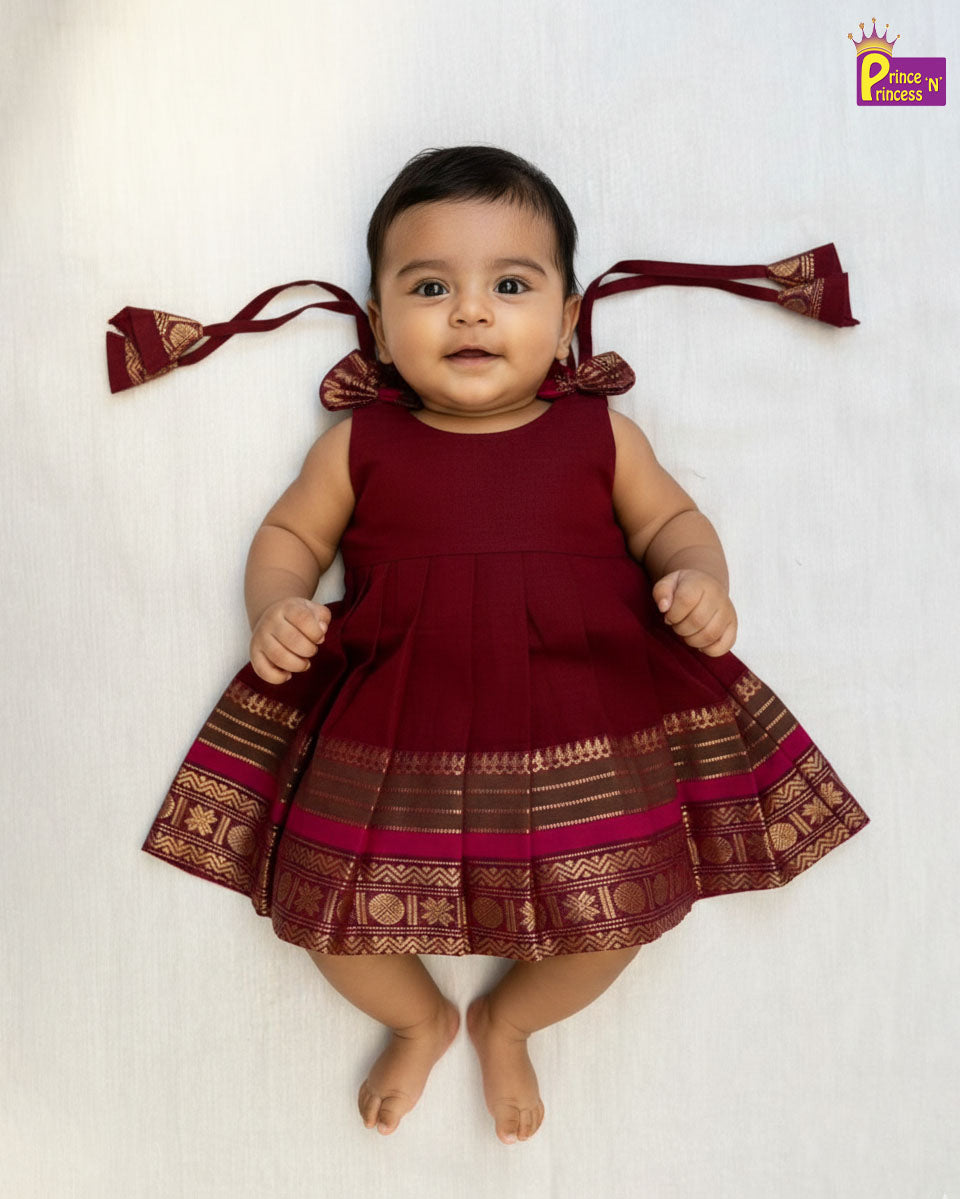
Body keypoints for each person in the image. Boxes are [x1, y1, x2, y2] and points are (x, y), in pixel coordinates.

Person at [122, 145, 869, 1147]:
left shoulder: (602, 435)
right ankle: (418, 1013)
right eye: (430, 287)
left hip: (583, 726)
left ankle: (507, 1017)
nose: (470, 311)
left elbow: (672, 524)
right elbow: (291, 535)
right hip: (395, 728)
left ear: (564, 321)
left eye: (509, 284)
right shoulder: (360, 445)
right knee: (320, 908)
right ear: (380, 328)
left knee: (624, 913)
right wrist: (277, 604)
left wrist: (701, 578)